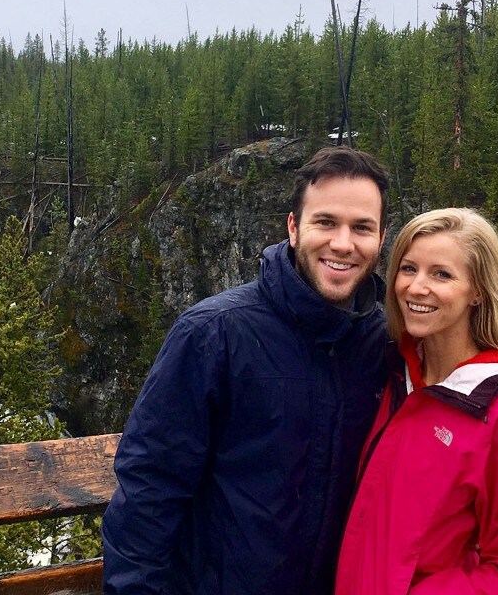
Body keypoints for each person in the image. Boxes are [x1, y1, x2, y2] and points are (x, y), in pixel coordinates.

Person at [102, 147, 393, 594]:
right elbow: (149, 490)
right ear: (294, 228)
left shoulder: (386, 342)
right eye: (326, 222)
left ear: (381, 237)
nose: (342, 243)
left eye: (362, 228)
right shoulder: (213, 333)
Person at [335, 208, 498, 594]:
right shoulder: (397, 370)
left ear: (478, 292)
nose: (416, 287)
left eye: (442, 274)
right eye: (408, 269)